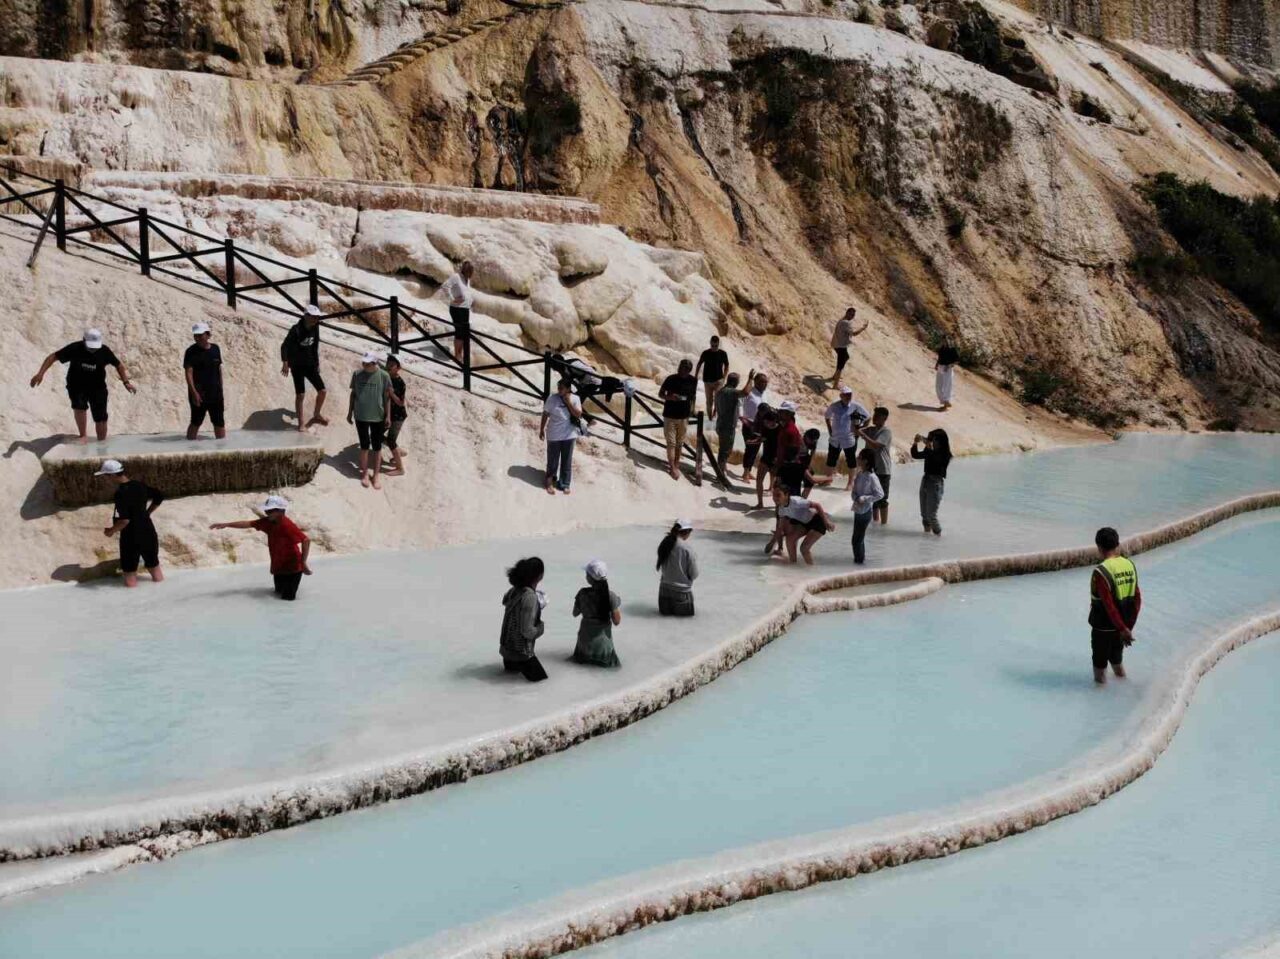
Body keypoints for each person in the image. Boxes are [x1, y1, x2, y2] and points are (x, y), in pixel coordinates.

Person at [30, 328, 136, 442]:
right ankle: (83, 435)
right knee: (79, 407)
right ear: (83, 340)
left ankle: (101, 442)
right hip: (76, 385)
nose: (93, 349)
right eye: (90, 346)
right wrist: (40, 374)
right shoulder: (75, 348)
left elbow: (119, 365)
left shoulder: (104, 351)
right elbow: (53, 357)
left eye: (95, 347)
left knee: (101, 418)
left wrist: (126, 383)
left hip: (97, 387)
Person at [209, 495, 312, 600]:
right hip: (279, 566)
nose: (267, 513)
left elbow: (305, 540)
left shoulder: (286, 525)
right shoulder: (267, 522)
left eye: (271, 510)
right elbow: (248, 523)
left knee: (287, 600)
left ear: (281, 511)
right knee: (277, 595)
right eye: (267, 510)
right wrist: (227, 524)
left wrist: (303, 563)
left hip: (293, 568)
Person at [94, 459, 164, 587]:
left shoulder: (120, 493)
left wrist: (111, 531)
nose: (105, 479)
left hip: (131, 537)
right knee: (154, 567)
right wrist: (147, 513)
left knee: (130, 574)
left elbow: (125, 521)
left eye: (105, 476)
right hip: (148, 532)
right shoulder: (140, 485)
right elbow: (159, 496)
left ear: (113, 475)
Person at [1089, 527, 1142, 685]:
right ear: (1117, 544)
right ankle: (1125, 693)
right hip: (1122, 630)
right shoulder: (1129, 565)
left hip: (1103, 629)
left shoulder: (1101, 572)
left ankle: (1100, 702)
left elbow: (1108, 605)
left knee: (1100, 672)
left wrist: (1123, 629)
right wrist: (1127, 628)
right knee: (1117, 665)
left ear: (1099, 547)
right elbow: (1137, 599)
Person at [347, 352, 393, 490]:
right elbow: (353, 394)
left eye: (367, 363)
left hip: (378, 416)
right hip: (360, 415)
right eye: (363, 363)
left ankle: (376, 475)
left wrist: (388, 416)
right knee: (364, 446)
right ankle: (365, 474)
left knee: (377, 447)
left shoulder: (384, 376)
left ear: (375, 363)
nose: (364, 365)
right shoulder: (357, 374)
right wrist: (349, 412)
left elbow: (387, 398)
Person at [500, 556, 548, 682]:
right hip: (522, 654)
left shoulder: (514, 590)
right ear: (540, 576)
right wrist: (541, 628)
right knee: (542, 684)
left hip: (506, 652)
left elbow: (505, 601)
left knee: (511, 687)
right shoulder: (530, 597)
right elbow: (527, 632)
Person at [281, 304, 328, 432]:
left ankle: (317, 414)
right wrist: (285, 362)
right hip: (297, 365)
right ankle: (301, 423)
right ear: (306, 316)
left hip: (310, 364)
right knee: (300, 395)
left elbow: (315, 346)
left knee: (323, 391)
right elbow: (284, 346)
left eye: (317, 317)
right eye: (313, 317)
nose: (316, 320)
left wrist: (317, 363)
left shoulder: (315, 328)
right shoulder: (295, 329)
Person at [572, 559, 622, 667]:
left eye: (587, 574)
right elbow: (617, 621)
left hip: (584, 643)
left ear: (590, 578)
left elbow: (575, 613)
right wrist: (616, 604)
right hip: (603, 646)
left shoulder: (582, 594)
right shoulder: (611, 596)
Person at [540, 378, 583, 494]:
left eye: (561, 388)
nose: (559, 390)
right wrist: (541, 429)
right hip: (554, 434)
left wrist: (568, 402)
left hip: (569, 435)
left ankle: (564, 483)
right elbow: (545, 414)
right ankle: (549, 481)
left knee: (566, 460)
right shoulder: (552, 398)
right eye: (558, 387)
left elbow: (578, 414)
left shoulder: (575, 398)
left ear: (568, 389)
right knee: (552, 460)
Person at [772, 485, 834, 565]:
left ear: (786, 495)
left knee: (804, 549)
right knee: (790, 539)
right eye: (773, 495)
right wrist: (773, 542)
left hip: (818, 521)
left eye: (778, 495)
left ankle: (811, 571)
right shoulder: (781, 509)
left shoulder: (796, 502)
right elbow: (780, 528)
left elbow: (817, 505)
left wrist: (826, 522)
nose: (775, 498)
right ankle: (793, 565)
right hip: (804, 523)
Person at [184, 322, 225, 440]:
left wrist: (220, 389)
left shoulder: (216, 349)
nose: (197, 338)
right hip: (199, 394)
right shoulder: (191, 351)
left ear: (208, 335)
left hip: (216, 393)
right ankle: (189, 449)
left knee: (219, 422)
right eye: (195, 335)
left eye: (200, 335)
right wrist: (194, 393)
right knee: (196, 421)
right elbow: (188, 373)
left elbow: (219, 369)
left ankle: (222, 449)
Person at [659, 359, 698, 481]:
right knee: (671, 442)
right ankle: (672, 467)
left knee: (680, 442)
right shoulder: (671, 379)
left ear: (689, 370)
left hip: (684, 416)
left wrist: (692, 410)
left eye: (686, 368)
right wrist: (670, 397)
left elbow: (693, 397)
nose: (683, 369)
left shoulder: (693, 381)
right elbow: (660, 394)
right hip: (670, 415)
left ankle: (676, 464)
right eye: (681, 366)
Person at [825, 386, 870, 486]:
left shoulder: (855, 406)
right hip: (835, 438)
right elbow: (827, 416)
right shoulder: (834, 406)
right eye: (846, 394)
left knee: (851, 460)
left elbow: (868, 417)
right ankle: (828, 480)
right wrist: (829, 430)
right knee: (831, 459)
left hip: (849, 438)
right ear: (841, 395)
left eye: (850, 394)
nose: (848, 396)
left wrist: (860, 430)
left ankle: (850, 483)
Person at [911, 428, 952, 535]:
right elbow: (916, 455)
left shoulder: (945, 455)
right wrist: (915, 443)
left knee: (932, 516)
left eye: (934, 440)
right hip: (925, 480)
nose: (932, 442)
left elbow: (936, 461)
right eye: (931, 440)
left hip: (935, 483)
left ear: (940, 441)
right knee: (924, 515)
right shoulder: (930, 450)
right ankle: (927, 541)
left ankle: (939, 540)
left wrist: (928, 447)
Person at [713, 369, 754, 477]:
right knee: (724, 451)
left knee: (724, 449)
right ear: (734, 382)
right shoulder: (731, 392)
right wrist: (750, 379)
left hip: (720, 424)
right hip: (727, 426)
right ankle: (720, 473)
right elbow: (745, 392)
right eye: (738, 381)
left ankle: (721, 468)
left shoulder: (720, 391)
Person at [859, 407, 893, 525]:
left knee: (882, 499)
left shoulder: (886, 432)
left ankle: (884, 525)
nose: (874, 418)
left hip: (883, 469)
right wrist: (859, 424)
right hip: (871, 469)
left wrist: (863, 435)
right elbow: (855, 431)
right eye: (874, 415)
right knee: (872, 497)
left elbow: (876, 445)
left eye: (877, 416)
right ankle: (875, 522)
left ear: (884, 418)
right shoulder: (870, 429)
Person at [656, 520, 698, 616]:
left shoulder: (665, 543)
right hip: (681, 593)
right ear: (687, 532)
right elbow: (694, 574)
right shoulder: (686, 548)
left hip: (664, 591)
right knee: (686, 627)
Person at [850, 449, 885, 565]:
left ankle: (859, 563)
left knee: (857, 540)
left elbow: (880, 494)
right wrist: (855, 497)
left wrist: (865, 499)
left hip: (866, 511)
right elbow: (854, 491)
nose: (857, 459)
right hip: (857, 510)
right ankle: (860, 561)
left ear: (865, 461)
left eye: (859, 457)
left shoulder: (872, 477)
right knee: (857, 539)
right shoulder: (860, 474)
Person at [776, 429, 830, 497]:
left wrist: (809, 465)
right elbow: (793, 454)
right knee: (794, 481)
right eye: (810, 440)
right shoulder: (798, 439)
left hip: (805, 459)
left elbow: (812, 454)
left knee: (809, 480)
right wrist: (828, 478)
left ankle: (803, 500)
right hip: (795, 459)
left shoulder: (813, 441)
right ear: (806, 436)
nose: (811, 442)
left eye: (814, 441)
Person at [442, 259, 475, 366]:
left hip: (465, 309)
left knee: (464, 333)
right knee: (459, 332)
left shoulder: (467, 280)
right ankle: (457, 355)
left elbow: (466, 292)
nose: (470, 274)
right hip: (457, 309)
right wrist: (452, 299)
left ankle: (460, 355)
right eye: (469, 272)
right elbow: (445, 286)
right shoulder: (456, 277)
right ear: (465, 271)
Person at [739, 372, 769, 482]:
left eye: (766, 382)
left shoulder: (765, 394)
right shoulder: (750, 392)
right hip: (749, 424)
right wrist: (749, 379)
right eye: (762, 381)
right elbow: (740, 403)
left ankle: (748, 470)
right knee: (750, 449)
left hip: (761, 426)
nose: (764, 384)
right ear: (755, 381)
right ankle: (745, 473)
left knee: (755, 449)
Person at [830, 307, 869, 390]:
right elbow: (854, 334)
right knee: (840, 365)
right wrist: (863, 328)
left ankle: (835, 376)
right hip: (840, 346)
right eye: (851, 314)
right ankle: (835, 385)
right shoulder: (846, 323)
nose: (852, 316)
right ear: (847, 313)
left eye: (853, 315)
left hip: (836, 344)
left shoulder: (842, 319)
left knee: (846, 357)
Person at [383, 354, 408, 476]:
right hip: (388, 414)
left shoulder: (400, 383)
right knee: (376, 435)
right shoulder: (386, 376)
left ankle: (400, 468)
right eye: (388, 363)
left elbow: (401, 402)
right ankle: (399, 452)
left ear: (398, 368)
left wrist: (391, 394)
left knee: (391, 441)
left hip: (398, 416)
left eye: (392, 365)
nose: (388, 366)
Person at [752, 404, 781, 509]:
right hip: (765, 457)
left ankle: (778, 506)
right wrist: (754, 441)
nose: (765, 424)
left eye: (767, 422)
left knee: (778, 486)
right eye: (764, 422)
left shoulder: (780, 429)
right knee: (759, 480)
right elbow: (762, 438)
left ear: (773, 421)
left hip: (776, 460)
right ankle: (760, 503)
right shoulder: (765, 427)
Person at [694, 335, 729, 416]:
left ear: (718, 344)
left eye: (715, 346)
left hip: (718, 380)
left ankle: (715, 413)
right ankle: (710, 417)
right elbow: (699, 364)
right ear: (710, 343)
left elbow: (726, 365)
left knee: (718, 399)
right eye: (712, 345)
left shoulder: (723, 354)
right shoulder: (705, 353)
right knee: (709, 401)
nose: (714, 347)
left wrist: (724, 377)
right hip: (707, 381)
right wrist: (695, 376)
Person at [935, 342, 960, 410]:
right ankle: (945, 402)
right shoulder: (942, 348)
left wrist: (949, 366)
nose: (944, 341)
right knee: (938, 386)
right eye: (943, 339)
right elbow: (940, 357)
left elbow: (957, 361)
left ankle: (946, 403)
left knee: (946, 386)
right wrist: (937, 364)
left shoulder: (952, 349)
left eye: (945, 340)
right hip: (940, 367)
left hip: (948, 369)